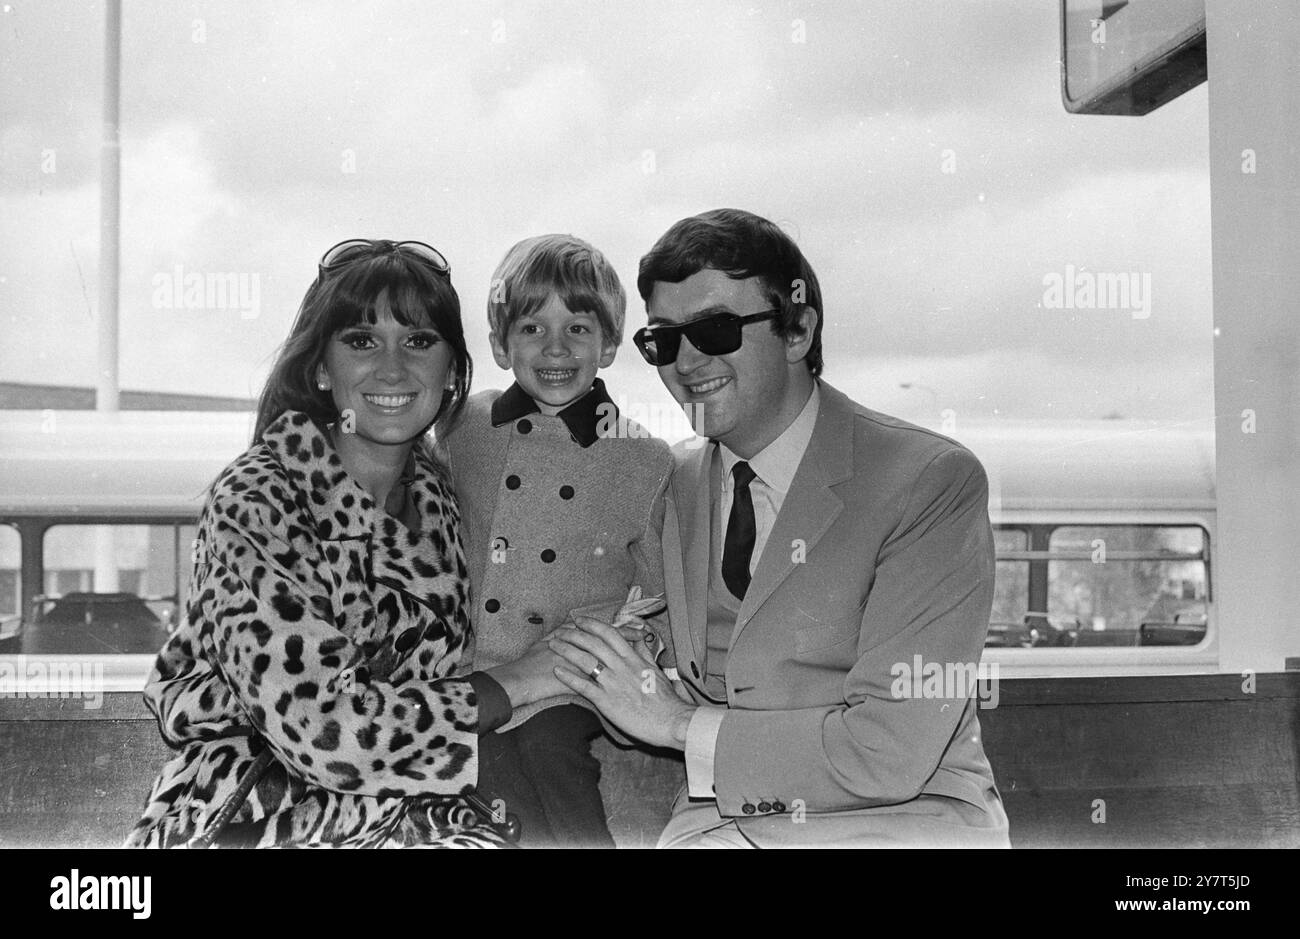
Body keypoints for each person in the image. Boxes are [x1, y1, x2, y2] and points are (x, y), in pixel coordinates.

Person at [550, 209, 1010, 847]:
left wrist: (679, 726)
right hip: (716, 824)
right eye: (662, 340)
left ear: (797, 331)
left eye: (714, 330)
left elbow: (888, 752)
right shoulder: (668, 484)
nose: (685, 363)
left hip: (900, 822)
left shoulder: (929, 481)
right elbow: (646, 691)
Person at [126, 239, 566, 848]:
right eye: (361, 341)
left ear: (451, 368)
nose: (393, 369)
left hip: (410, 818)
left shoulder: (438, 499)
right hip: (259, 818)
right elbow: (324, 728)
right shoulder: (259, 498)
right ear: (321, 368)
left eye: (419, 340)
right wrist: (524, 680)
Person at [437, 234, 673, 847]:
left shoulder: (644, 459)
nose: (556, 348)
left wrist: (615, 650)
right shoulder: (462, 427)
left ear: (611, 343)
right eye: (532, 329)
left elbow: (652, 590)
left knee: (552, 761)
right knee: (482, 764)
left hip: (570, 675)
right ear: (498, 343)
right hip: (466, 669)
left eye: (578, 328)